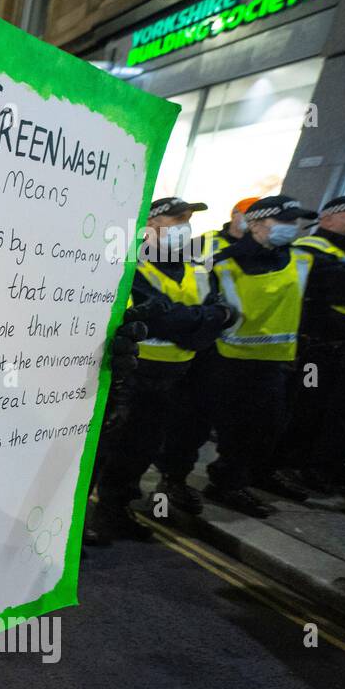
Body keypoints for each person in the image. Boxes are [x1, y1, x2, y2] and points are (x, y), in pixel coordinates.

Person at [85, 197, 235, 543]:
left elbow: (221, 313)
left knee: (141, 451)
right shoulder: (129, 262)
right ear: (150, 224)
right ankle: (76, 527)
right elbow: (155, 319)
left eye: (187, 221)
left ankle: (114, 512)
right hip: (131, 375)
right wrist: (199, 321)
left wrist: (192, 322)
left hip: (175, 378)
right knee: (102, 451)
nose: (184, 228)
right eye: (176, 220)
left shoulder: (197, 265)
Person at [202, 195, 345, 516]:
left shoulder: (300, 259)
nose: (291, 229)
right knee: (224, 429)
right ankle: (219, 483)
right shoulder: (222, 260)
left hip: (275, 362)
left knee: (265, 427)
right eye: (284, 222)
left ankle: (243, 479)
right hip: (227, 360)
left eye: (294, 223)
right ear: (257, 223)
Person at [281, 194, 345, 493]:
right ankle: (291, 462)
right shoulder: (308, 249)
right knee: (307, 405)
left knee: (344, 410)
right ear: (329, 217)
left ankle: (327, 463)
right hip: (317, 350)